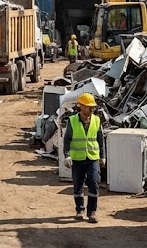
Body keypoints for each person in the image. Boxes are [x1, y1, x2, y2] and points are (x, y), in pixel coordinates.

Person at [64, 92, 105, 223]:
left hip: (92, 158)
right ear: (80, 106)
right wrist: (67, 156)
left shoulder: (97, 120)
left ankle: (92, 212)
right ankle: (79, 210)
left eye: (92, 107)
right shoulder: (72, 121)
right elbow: (67, 140)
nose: (90, 109)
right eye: (87, 106)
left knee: (94, 183)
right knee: (78, 185)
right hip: (77, 159)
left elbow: (100, 140)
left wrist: (102, 157)